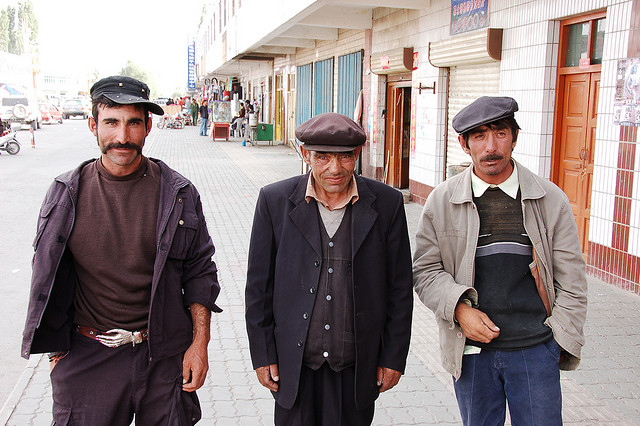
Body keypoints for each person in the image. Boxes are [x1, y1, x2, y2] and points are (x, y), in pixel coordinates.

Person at [21, 75, 222, 425]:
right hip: (88, 357)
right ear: (92, 125)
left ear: (148, 127)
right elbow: (47, 275)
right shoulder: (66, 193)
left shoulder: (177, 193)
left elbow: (200, 270)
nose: (122, 137)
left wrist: (199, 344)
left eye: (133, 123)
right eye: (111, 122)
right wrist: (58, 352)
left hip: (163, 356)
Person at [412, 96, 588, 425]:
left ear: (515, 137)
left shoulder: (550, 199)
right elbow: (425, 272)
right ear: (464, 144)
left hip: (536, 349)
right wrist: (460, 310)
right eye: (479, 136)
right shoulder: (441, 201)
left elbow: (573, 281)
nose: (491, 146)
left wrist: (559, 340)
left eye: (500, 133)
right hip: (471, 351)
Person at [245, 112, 413, 425]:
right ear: (304, 154)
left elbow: (400, 288)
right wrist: (263, 353)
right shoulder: (274, 200)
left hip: (356, 367)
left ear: (357, 155)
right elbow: (258, 287)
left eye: (345, 157)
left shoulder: (387, 203)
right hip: (294, 367)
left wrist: (393, 356)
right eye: (322, 157)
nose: (334, 169)